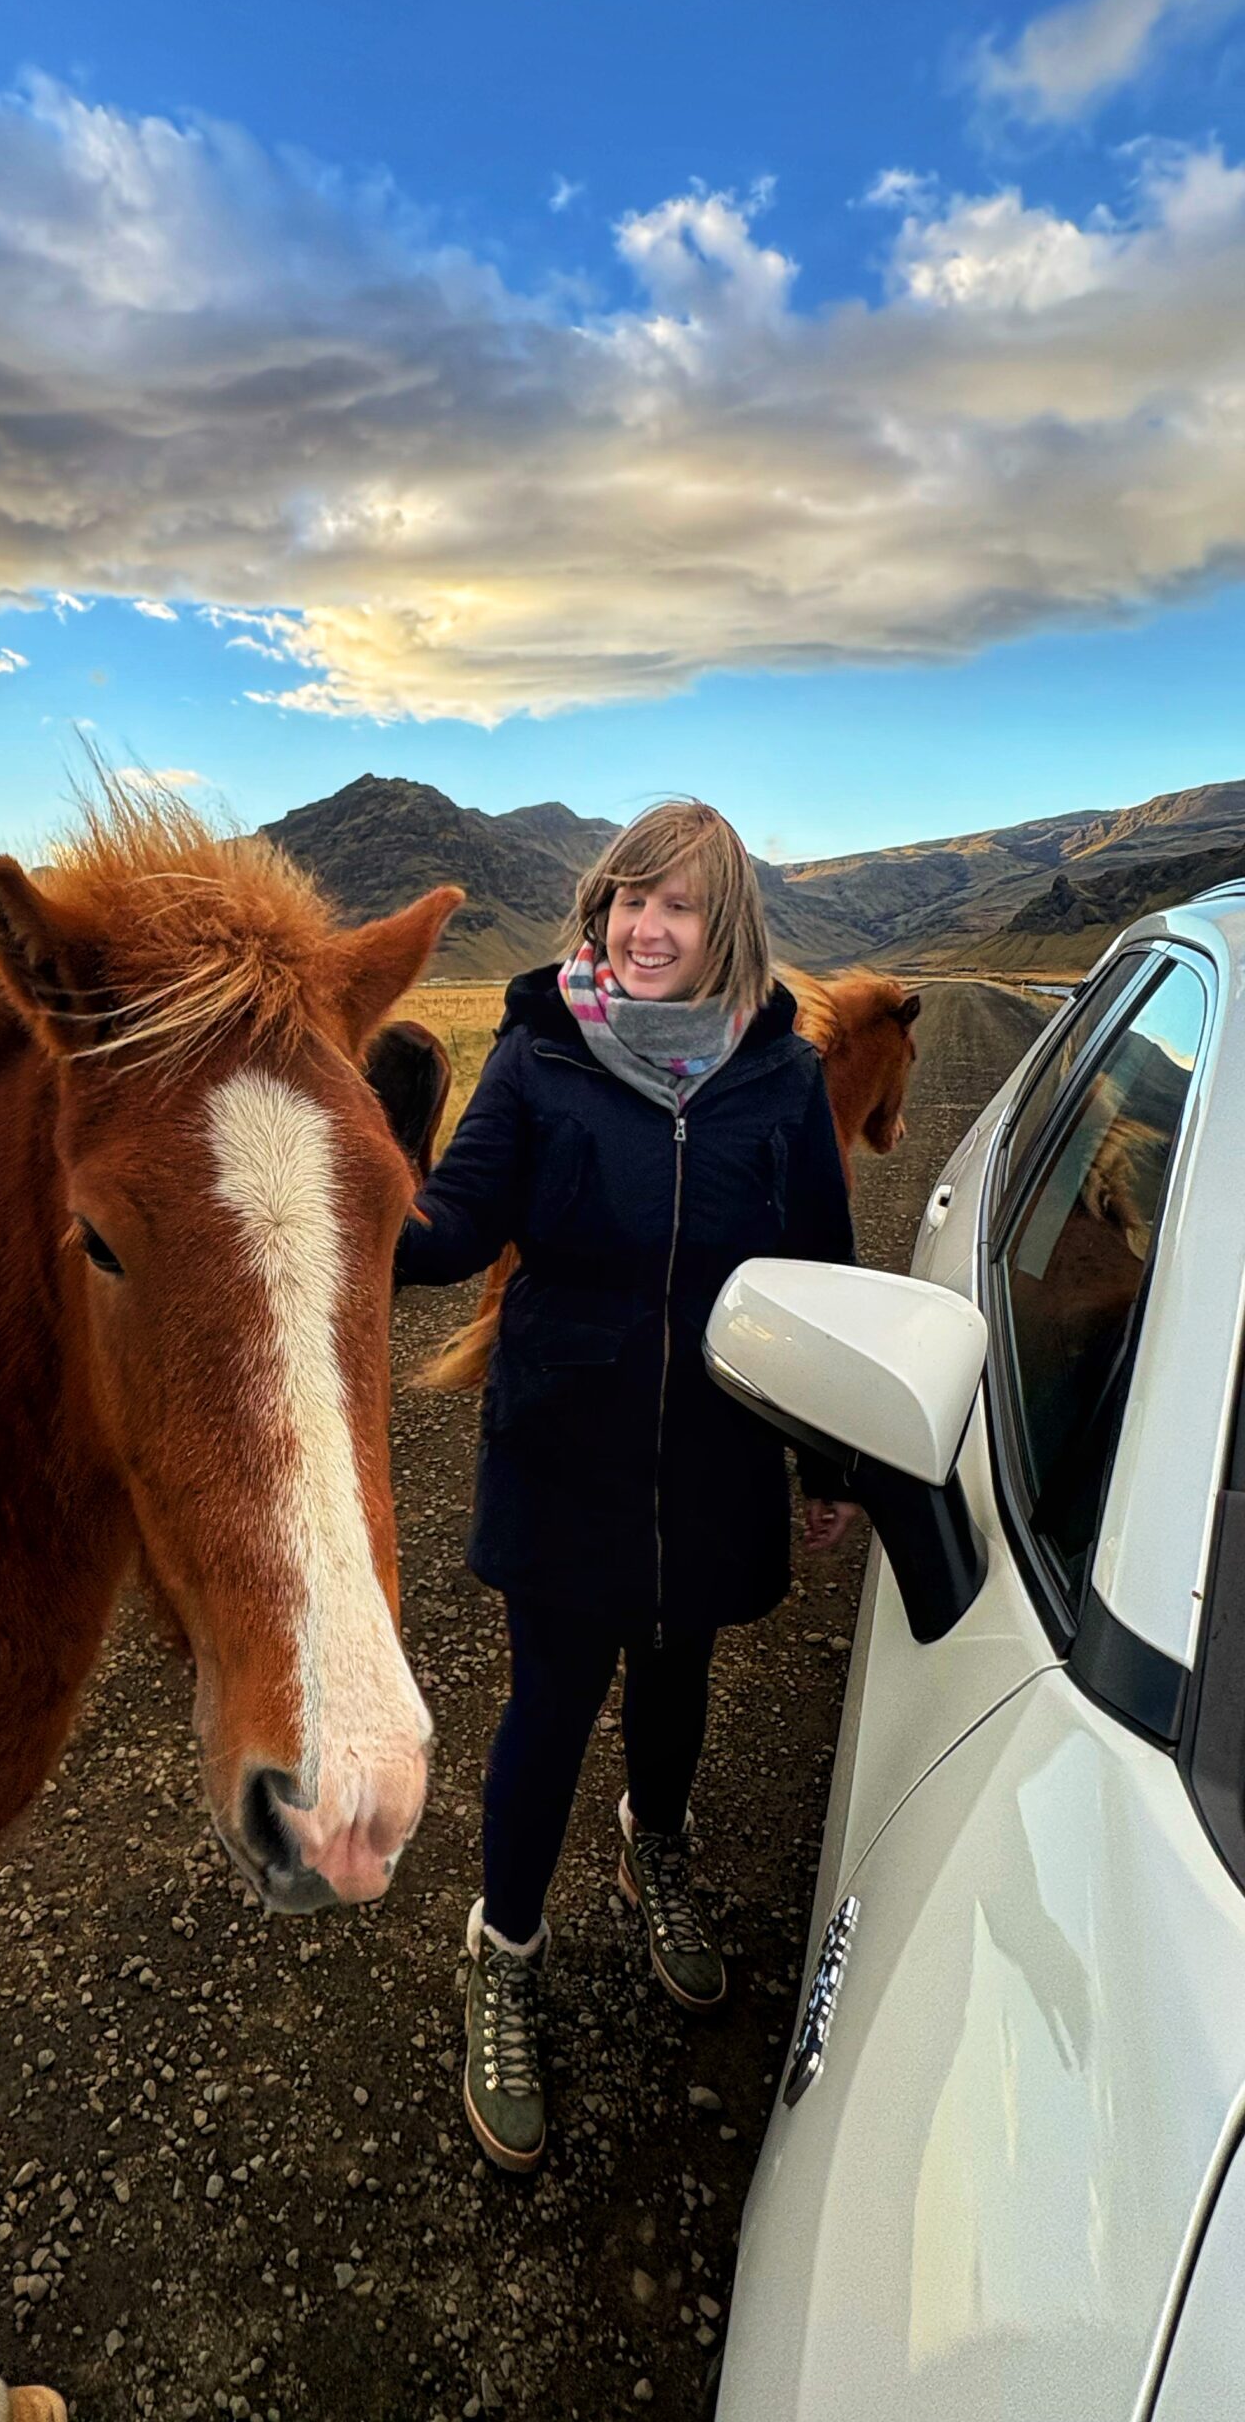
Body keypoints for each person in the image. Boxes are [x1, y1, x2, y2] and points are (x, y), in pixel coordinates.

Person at [395, 799, 861, 2174]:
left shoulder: (778, 1078)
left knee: (678, 1673)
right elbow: (454, 1227)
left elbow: (822, 1273)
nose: (646, 931)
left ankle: (653, 1846)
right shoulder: (541, 1053)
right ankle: (506, 1949)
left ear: (727, 931)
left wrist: (826, 1456)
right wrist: (351, 1193)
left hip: (714, 1443)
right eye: (626, 901)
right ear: (597, 913)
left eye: (679, 908)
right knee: (550, 1698)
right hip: (566, 1441)